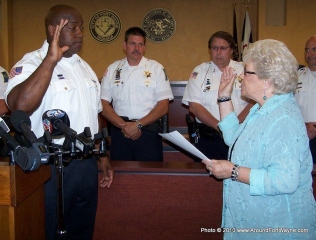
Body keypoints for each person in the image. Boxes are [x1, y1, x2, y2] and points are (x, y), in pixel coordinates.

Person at [4, 5, 114, 240]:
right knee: (49, 231)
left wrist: (101, 155)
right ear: (53, 29)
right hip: (51, 168)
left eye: (81, 28)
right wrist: (51, 60)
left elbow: (95, 115)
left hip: (85, 165)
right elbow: (19, 105)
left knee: (82, 231)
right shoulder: (32, 63)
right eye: (73, 27)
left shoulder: (84, 68)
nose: (80, 34)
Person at [202, 39, 316, 239]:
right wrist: (223, 97)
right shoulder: (262, 108)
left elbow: (284, 180)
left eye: (246, 72)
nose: (240, 78)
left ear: (267, 81)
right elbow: (232, 138)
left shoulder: (284, 119)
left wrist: (233, 171)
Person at [100, 27, 173, 161]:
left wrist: (137, 125)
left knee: (151, 178)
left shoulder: (156, 68)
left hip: (148, 134)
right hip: (120, 133)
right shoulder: (112, 69)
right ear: (124, 45)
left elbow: (163, 106)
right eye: (132, 43)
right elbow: (103, 104)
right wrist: (124, 126)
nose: (136, 48)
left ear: (144, 47)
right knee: (121, 178)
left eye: (140, 44)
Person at [182, 31, 253, 161]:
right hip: (209, 137)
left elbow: (254, 101)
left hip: (241, 135)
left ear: (231, 50)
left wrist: (234, 125)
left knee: (238, 175)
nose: (218, 52)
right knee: (204, 178)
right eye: (215, 48)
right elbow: (194, 107)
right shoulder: (200, 72)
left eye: (223, 48)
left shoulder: (244, 70)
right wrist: (221, 126)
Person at [294, 36, 316, 164]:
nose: (310, 54)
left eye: (314, 49)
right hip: (302, 134)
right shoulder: (296, 77)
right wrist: (305, 126)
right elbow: (289, 106)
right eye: (307, 50)